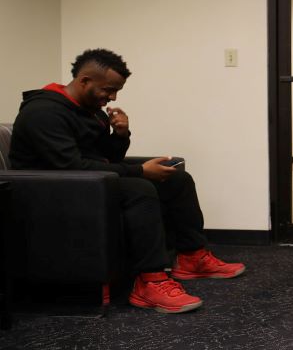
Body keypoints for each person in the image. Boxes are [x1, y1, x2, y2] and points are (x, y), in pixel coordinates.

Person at [9, 49, 245, 314]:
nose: (112, 97)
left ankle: (192, 257)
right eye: (108, 89)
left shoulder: (92, 111)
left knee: (177, 179)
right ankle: (150, 282)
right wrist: (140, 172)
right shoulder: (43, 112)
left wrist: (121, 134)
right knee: (139, 188)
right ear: (84, 80)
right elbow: (71, 166)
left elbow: (104, 158)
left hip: (88, 185)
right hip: (50, 193)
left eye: (116, 91)